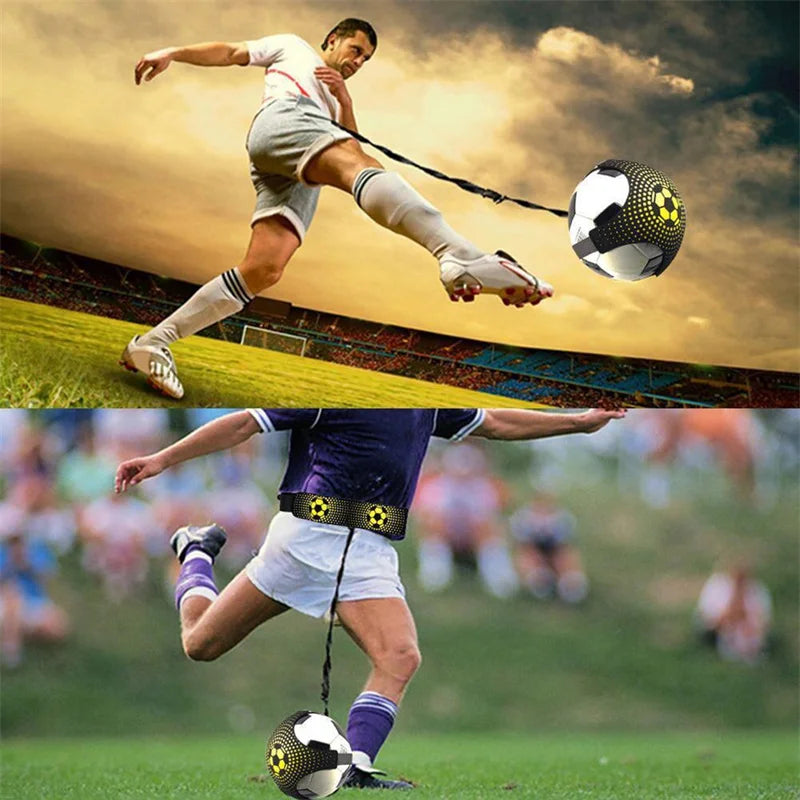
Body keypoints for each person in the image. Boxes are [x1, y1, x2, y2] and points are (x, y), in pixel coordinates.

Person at [115, 407, 623, 790]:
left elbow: (494, 423)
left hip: (371, 549)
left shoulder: (424, 397)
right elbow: (245, 423)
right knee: (199, 644)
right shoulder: (332, 386)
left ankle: (355, 766)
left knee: (399, 656)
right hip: (306, 535)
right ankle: (197, 552)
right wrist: (163, 458)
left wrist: (577, 422)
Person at [121, 19, 554, 399]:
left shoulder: (335, 99)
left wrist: (344, 101)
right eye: (356, 50)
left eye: (366, 59)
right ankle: (455, 252)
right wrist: (172, 53)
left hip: (298, 164)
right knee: (357, 164)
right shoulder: (293, 47)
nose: (359, 62)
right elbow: (233, 53)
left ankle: (154, 341)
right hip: (286, 121)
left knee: (264, 270)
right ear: (333, 39)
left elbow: (354, 146)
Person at [415, 442, 518, 598]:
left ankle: (499, 578)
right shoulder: (435, 487)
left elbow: (491, 519)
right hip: (446, 536)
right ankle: (435, 574)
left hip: (475, 538)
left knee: (488, 529)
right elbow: (426, 518)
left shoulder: (485, 488)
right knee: (435, 524)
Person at [509, 492, 588, 603]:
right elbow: (523, 546)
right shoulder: (522, 518)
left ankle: (569, 581)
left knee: (565, 555)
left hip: (555, 550)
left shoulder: (564, 519)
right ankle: (537, 578)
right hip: (533, 551)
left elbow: (565, 546)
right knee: (526, 555)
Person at [695, 562, 772, 665]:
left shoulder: (758, 590)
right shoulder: (716, 586)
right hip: (717, 633)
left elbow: (763, 623)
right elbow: (710, 621)